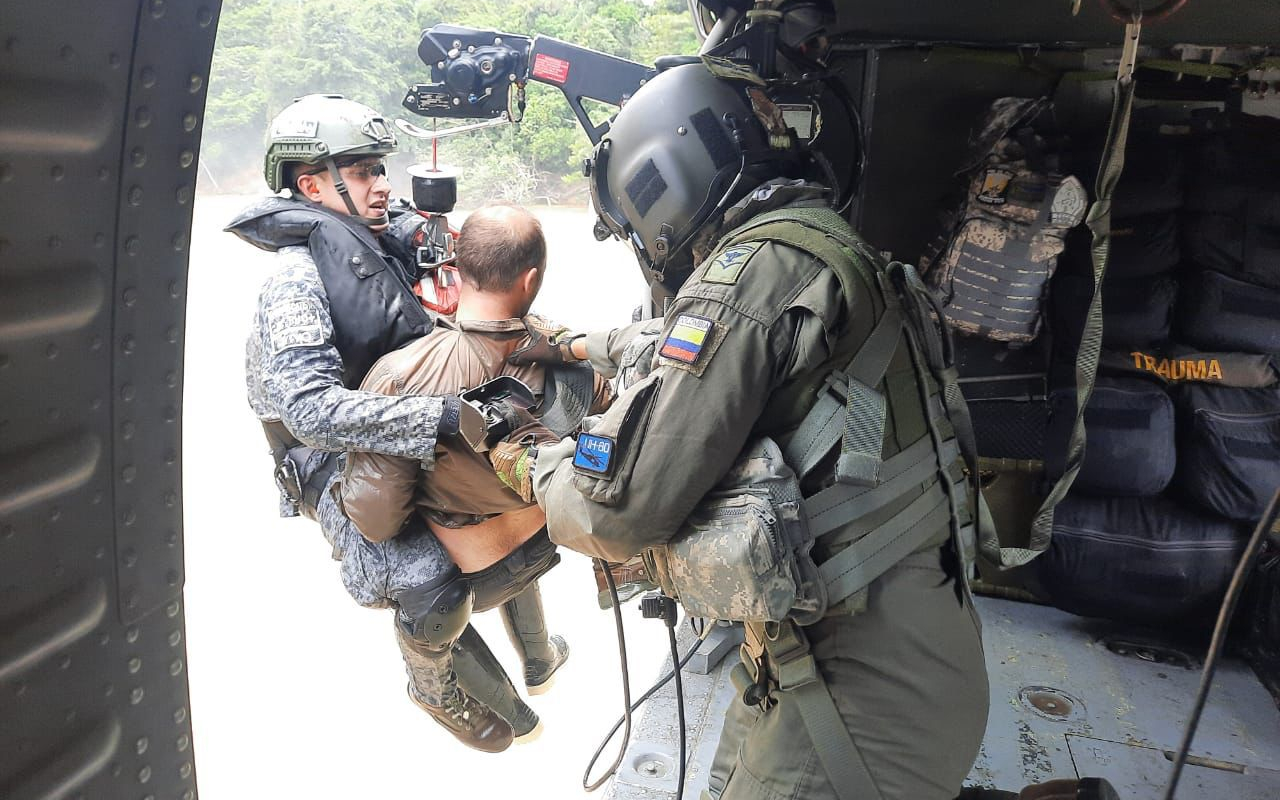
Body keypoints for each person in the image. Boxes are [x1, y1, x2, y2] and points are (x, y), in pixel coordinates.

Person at [500, 62, 991, 800]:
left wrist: (530, 462)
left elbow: (616, 513)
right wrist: (571, 341)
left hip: (856, 711)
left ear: (661, 186)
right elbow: (687, 347)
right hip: (896, 666)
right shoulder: (814, 245)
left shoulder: (748, 271)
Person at [227, 94, 535, 752]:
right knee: (432, 586)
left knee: (519, 493)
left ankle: (540, 655)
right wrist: (441, 417)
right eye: (364, 171)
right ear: (313, 184)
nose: (383, 184)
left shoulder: (387, 241)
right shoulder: (296, 280)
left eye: (379, 169)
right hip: (324, 460)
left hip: (400, 413)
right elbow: (308, 410)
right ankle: (431, 688)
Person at [338, 204, 605, 724]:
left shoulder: (400, 376)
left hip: (472, 575)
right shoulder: (570, 351)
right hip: (547, 539)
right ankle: (540, 660)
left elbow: (377, 518)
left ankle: (511, 718)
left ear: (456, 269)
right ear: (532, 280)